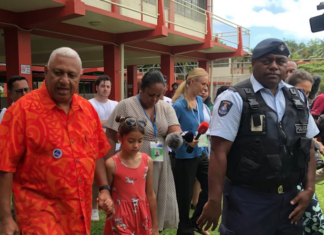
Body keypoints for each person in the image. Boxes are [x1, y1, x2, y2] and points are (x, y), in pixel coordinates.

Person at [198, 38, 319, 235]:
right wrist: (213, 201)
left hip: (290, 199)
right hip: (247, 199)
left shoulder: (297, 98)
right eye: (266, 60)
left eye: (280, 61)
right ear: (253, 63)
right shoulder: (234, 97)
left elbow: (308, 145)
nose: (273, 66)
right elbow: (219, 152)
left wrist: (309, 189)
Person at [0, 47, 114, 235]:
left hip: (79, 215)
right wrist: (5, 218)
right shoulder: (20, 112)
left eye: (71, 75)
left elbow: (96, 153)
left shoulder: (87, 110)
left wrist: (104, 188)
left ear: (80, 77)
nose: (64, 80)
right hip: (39, 216)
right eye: (58, 72)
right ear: (46, 72)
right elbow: (5, 167)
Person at [105, 70, 181, 231]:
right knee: (132, 203)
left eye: (159, 95)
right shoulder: (125, 105)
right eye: (151, 94)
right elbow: (110, 136)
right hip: (130, 165)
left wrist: (177, 137)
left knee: (156, 201)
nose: (154, 99)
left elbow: (175, 129)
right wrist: (110, 166)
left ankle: (154, 229)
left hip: (159, 164)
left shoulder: (165, 107)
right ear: (141, 88)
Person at [104, 115, 159, 235]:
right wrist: (106, 203)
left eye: (140, 141)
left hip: (142, 215)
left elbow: (150, 194)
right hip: (120, 216)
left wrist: (155, 226)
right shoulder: (112, 164)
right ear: (119, 138)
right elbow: (106, 192)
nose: (136, 145)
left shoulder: (147, 161)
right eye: (131, 141)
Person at [172, 68, 210, 235]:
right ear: (192, 82)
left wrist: (203, 149)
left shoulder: (200, 101)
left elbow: (199, 127)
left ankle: (196, 221)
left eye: (206, 84)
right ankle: (185, 229)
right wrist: (186, 140)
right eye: (203, 84)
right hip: (183, 157)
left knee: (213, 185)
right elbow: (172, 134)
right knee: (184, 198)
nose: (205, 88)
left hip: (200, 153)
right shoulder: (178, 106)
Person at [287, 70, 324, 235]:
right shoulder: (276, 110)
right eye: (300, 91)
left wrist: (317, 145)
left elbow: (308, 138)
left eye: (308, 93)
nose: (304, 97)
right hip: (283, 178)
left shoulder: (303, 111)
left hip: (301, 175)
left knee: (315, 221)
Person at [89, 75, 118, 221]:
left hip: (113, 145)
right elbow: (90, 123)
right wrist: (108, 122)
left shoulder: (115, 104)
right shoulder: (89, 104)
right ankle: (94, 209)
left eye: (108, 86)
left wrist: (102, 123)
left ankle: (111, 205)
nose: (105, 89)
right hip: (94, 146)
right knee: (96, 178)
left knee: (113, 176)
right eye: (102, 86)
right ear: (96, 87)